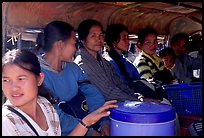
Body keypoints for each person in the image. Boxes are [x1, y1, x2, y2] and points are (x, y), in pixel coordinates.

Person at [2, 49, 118, 136]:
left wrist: (86, 121)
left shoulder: (45, 106)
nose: (13, 88)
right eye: (6, 80)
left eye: (21, 79)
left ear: (39, 79)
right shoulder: (6, 123)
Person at [36, 21, 109, 136]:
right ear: (60, 45)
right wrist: (89, 131)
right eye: (73, 44)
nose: (76, 49)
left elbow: (92, 94)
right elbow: (55, 116)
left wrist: (103, 121)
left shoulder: (73, 68)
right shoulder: (38, 75)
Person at [74, 19, 160, 102]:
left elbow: (120, 85)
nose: (99, 39)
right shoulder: (83, 64)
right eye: (93, 35)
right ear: (83, 40)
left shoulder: (104, 63)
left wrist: (139, 97)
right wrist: (136, 100)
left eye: (101, 35)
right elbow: (108, 93)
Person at [104, 23, 159, 99]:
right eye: (124, 38)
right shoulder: (109, 63)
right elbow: (120, 87)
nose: (128, 42)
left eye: (128, 38)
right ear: (114, 41)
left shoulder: (126, 62)